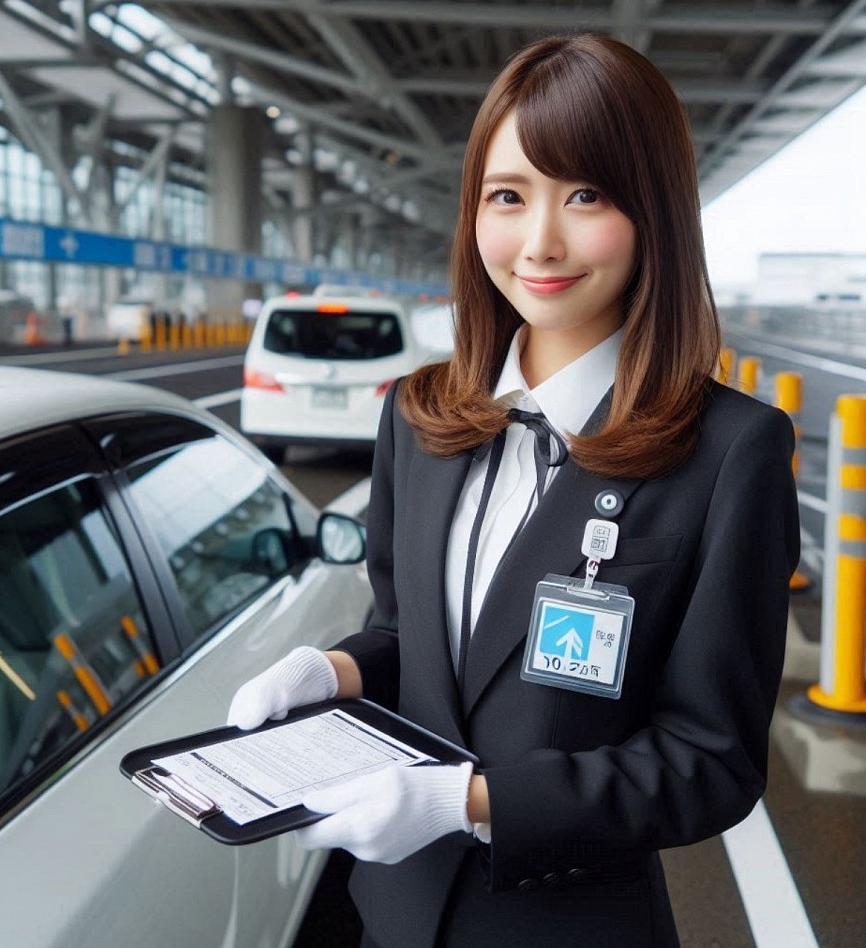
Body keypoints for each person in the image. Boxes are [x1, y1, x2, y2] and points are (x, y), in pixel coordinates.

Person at [227, 33, 799, 948]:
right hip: (395, 916)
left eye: (585, 195)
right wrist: (330, 671)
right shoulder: (420, 416)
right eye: (507, 196)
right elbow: (409, 636)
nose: (539, 241)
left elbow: (709, 763)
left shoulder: (730, 453)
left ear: (654, 212)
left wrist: (470, 800)